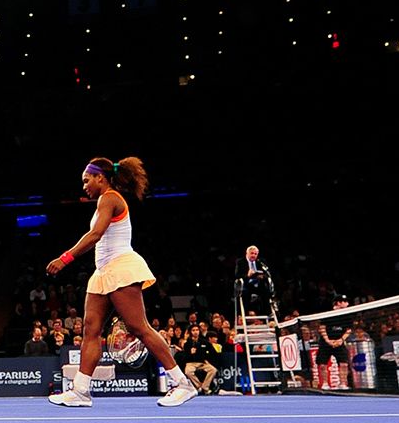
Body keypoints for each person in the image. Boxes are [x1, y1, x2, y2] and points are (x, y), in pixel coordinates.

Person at [45, 156, 199, 408]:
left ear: (100, 178)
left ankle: (181, 383)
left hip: (121, 268)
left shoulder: (111, 198)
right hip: (104, 272)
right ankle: (81, 391)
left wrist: (65, 258)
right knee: (91, 330)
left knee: (140, 327)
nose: (84, 186)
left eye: (87, 180)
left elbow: (95, 235)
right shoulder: (103, 202)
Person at [236, 246, 275, 320]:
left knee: (266, 289)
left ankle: (268, 312)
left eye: (255, 254)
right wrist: (247, 275)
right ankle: (245, 313)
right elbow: (237, 275)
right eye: (252, 253)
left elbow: (267, 273)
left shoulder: (260, 262)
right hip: (246, 285)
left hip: (258, 284)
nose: (254, 255)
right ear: (247, 253)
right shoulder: (240, 262)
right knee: (246, 293)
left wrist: (262, 276)